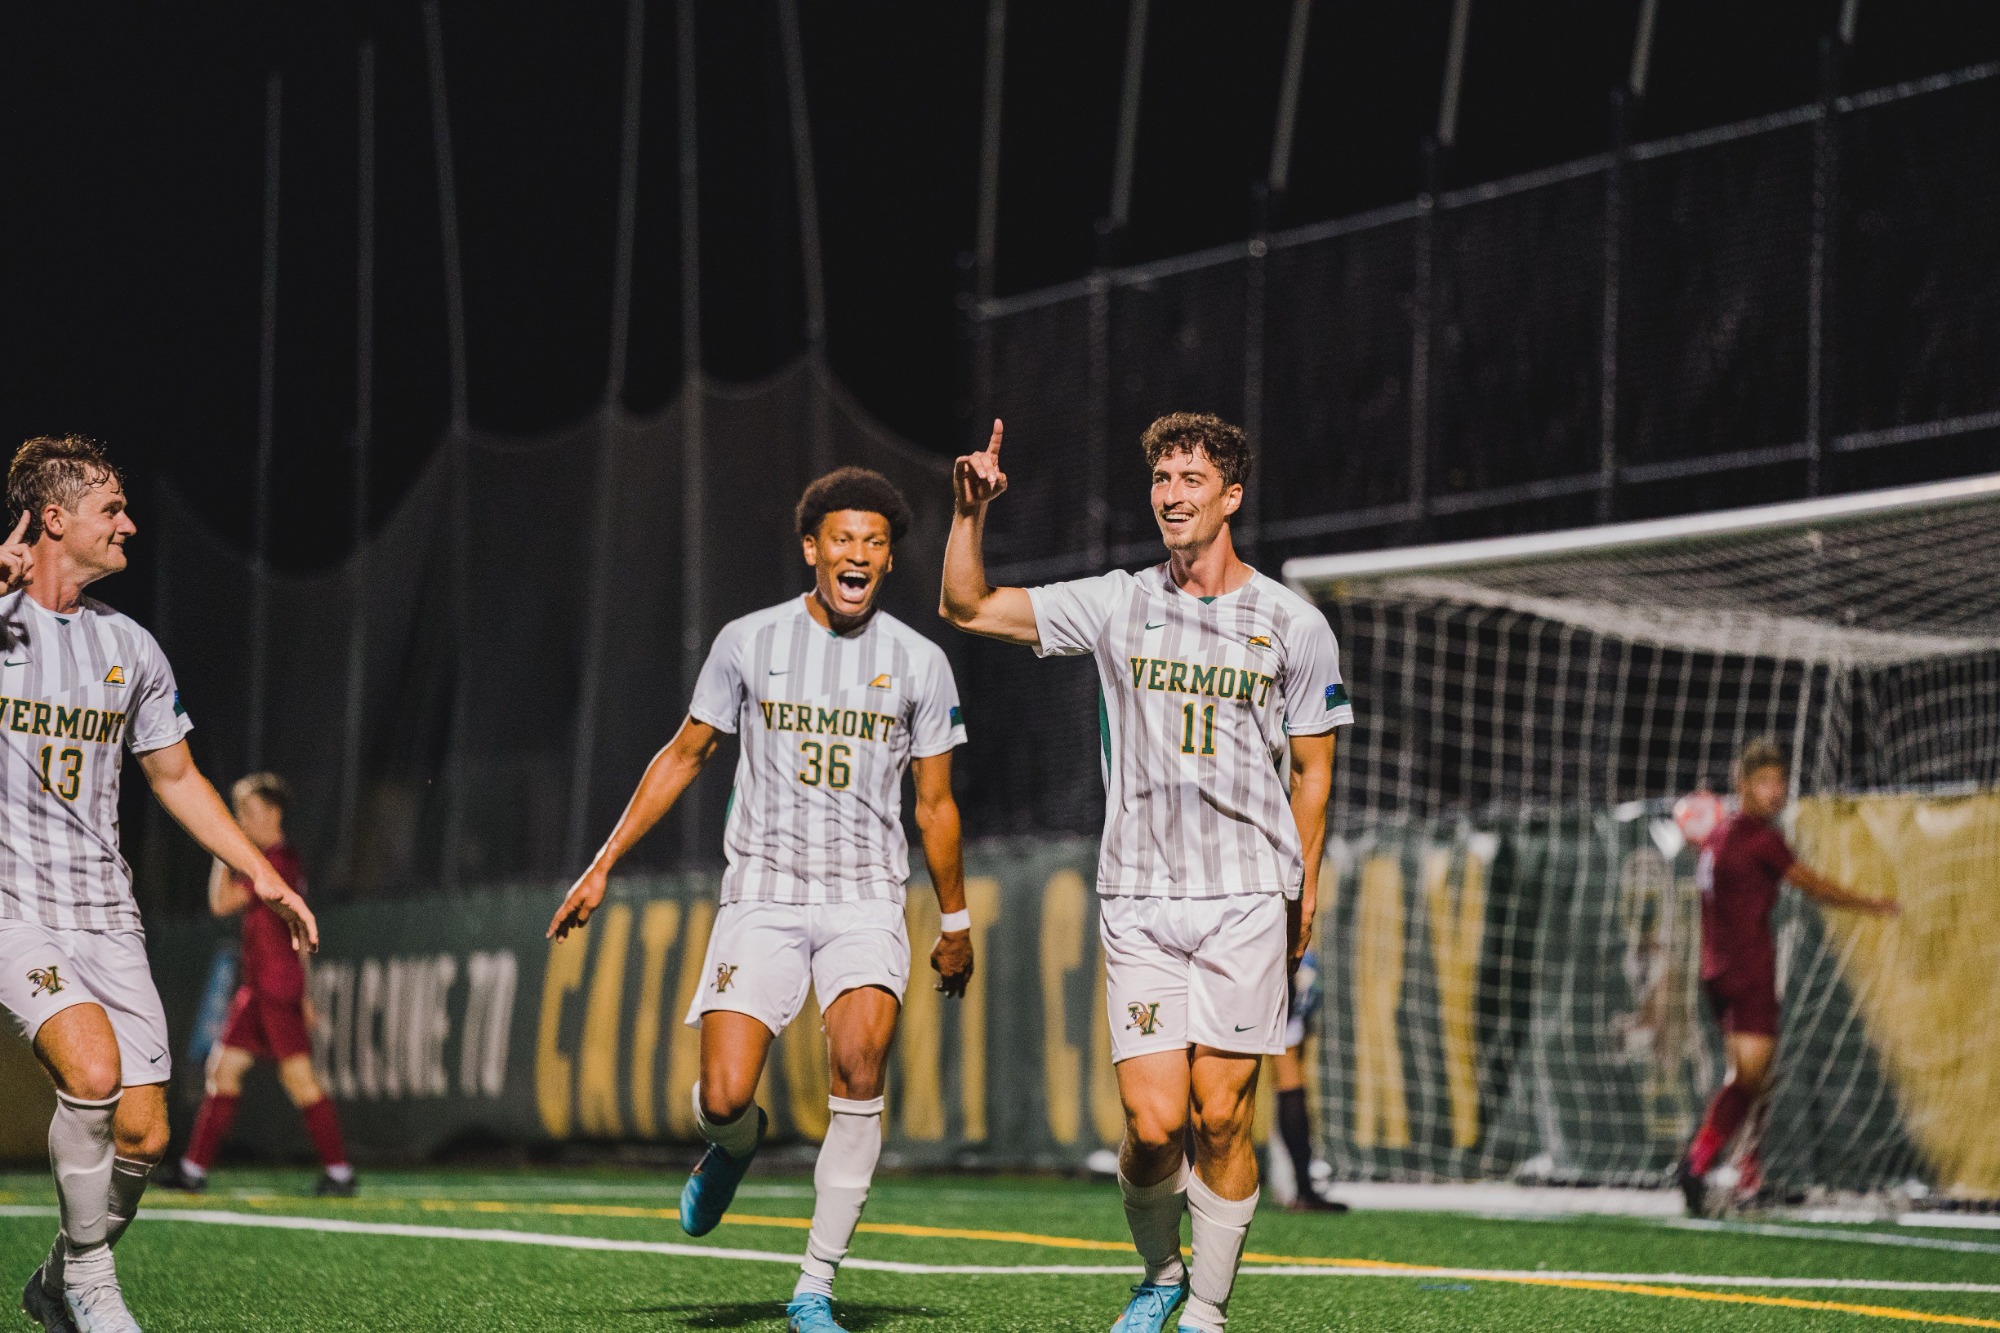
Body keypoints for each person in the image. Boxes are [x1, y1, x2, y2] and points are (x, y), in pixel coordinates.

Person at [942, 413, 1351, 1333]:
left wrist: (1306, 888)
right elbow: (967, 606)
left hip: (1248, 896)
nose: (1171, 493)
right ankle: (1162, 1268)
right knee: (1155, 1124)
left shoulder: (1293, 623)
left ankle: (1205, 1309)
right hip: (1139, 898)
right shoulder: (1118, 600)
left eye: (1191, 478)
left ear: (1231, 495)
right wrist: (968, 514)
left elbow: (1314, 772)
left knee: (1221, 1116)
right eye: (1162, 478)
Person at [547, 467, 973, 1333]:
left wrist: (956, 921)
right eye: (843, 539)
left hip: (865, 901)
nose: (858, 554)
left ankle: (814, 1285)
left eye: (875, 542)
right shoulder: (749, 641)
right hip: (764, 898)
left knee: (860, 1072)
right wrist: (601, 864)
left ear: (890, 560)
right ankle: (734, 1144)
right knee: (726, 1091)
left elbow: (935, 804)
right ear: (812, 549)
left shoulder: (921, 662)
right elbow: (684, 753)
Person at [0, 435, 316, 1333]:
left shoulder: (130, 647)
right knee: (92, 1070)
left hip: (107, 913)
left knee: (143, 1134)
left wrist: (262, 875)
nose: (129, 523)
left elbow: (176, 778)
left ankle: (59, 1276)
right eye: (112, 509)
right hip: (13, 908)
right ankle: (96, 1287)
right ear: (53, 519)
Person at [1677, 737, 1896, 1215]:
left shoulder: (1718, 834)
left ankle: (1746, 1170)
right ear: (1742, 785)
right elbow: (1812, 885)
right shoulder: (1761, 839)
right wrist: (1872, 905)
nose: (1776, 792)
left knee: (1756, 1078)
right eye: (1765, 783)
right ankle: (1698, 1163)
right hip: (1749, 972)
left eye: (1779, 782)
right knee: (1750, 1081)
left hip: (1715, 973)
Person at [153, 773, 354, 1198]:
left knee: (300, 1081)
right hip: (262, 989)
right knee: (223, 1071)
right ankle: (193, 1170)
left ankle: (339, 1172)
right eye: (238, 812)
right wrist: (309, 992)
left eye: (249, 811)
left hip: (275, 989)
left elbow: (220, 902)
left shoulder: (274, 863)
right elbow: (299, 934)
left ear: (274, 813)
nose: (242, 819)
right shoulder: (278, 860)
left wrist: (220, 844)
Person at [1271, 947, 1345, 1213]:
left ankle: (1187, 1192)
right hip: (1280, 950)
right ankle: (1304, 1190)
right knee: (1287, 1068)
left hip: (1228, 945)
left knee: (1210, 1065)